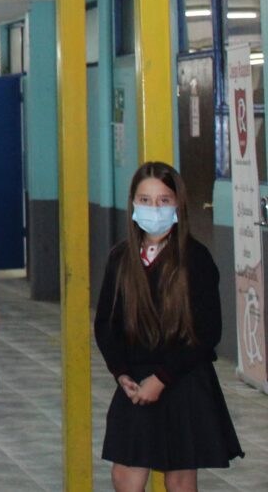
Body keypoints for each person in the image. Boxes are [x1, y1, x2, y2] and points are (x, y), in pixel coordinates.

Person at [95, 162, 243, 492]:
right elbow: (106, 323)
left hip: (182, 378)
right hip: (135, 380)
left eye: (163, 200)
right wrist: (121, 373)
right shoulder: (121, 258)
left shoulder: (195, 258)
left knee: (178, 479)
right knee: (126, 475)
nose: (154, 209)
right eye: (145, 200)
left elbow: (207, 332)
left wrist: (162, 379)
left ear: (178, 204)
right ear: (133, 203)